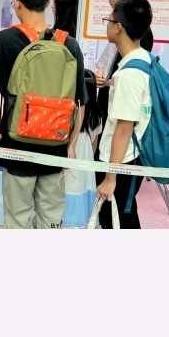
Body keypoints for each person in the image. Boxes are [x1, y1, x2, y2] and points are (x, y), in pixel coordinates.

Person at [0, 0, 88, 229]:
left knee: (17, 221)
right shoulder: (69, 44)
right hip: (56, 150)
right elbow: (80, 104)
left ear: (16, 2)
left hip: (16, 149)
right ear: (47, 2)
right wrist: (70, 146)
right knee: (51, 222)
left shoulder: (4, 41)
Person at [95, 0, 153, 229]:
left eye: (108, 20)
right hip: (131, 156)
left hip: (121, 161)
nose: (107, 25)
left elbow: (123, 129)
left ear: (118, 27)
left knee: (118, 221)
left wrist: (111, 178)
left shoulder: (128, 75)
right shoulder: (144, 59)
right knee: (122, 217)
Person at [94, 0, 154, 161]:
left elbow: (124, 129)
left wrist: (111, 173)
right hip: (112, 99)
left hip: (120, 108)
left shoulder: (139, 37)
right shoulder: (127, 31)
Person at [61, 69, 103, 228]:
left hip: (67, 166)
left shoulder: (68, 113)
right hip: (86, 168)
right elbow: (94, 146)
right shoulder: (97, 114)